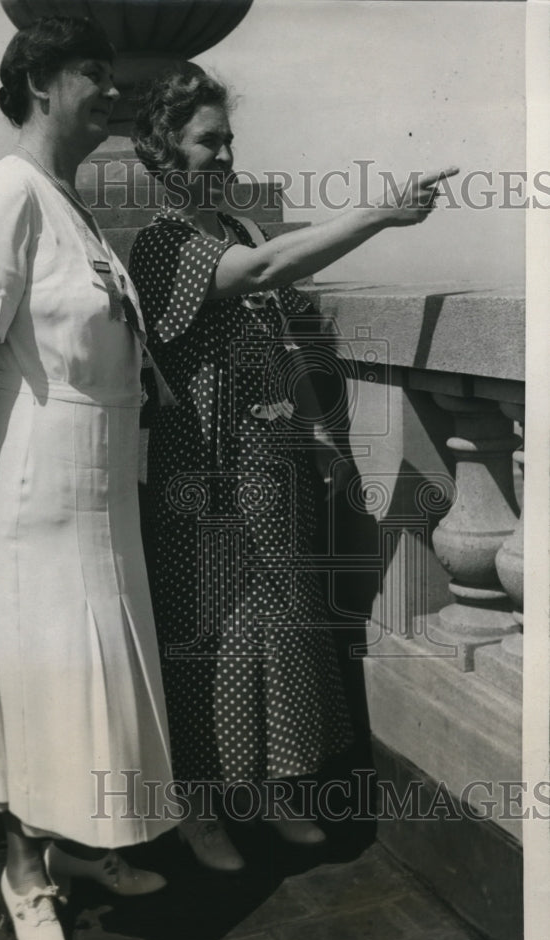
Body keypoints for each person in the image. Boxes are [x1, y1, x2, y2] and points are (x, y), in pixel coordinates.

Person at [129, 69, 458, 872]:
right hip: (201, 476)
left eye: (228, 138)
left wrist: (312, 422)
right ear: (163, 150)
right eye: (208, 138)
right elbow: (271, 274)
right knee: (210, 634)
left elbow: (274, 334)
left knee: (281, 628)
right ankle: (202, 811)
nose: (225, 152)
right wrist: (379, 213)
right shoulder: (165, 241)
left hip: (267, 469)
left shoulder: (234, 229)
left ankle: (277, 791)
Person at [0, 17, 179, 940]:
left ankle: (85, 840)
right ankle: (25, 873)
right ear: (38, 80)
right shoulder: (5, 192)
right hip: (37, 479)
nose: (113, 92)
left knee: (100, 667)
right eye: (93, 75)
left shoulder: (67, 200)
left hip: (101, 480)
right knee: (46, 674)